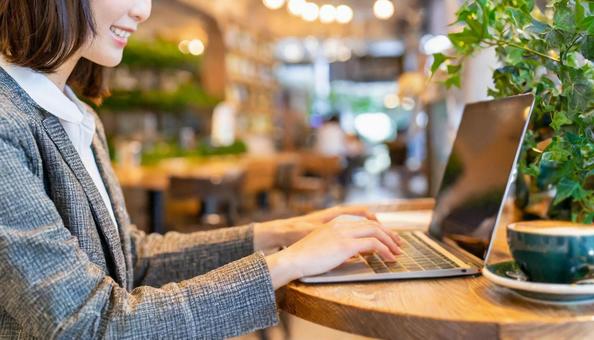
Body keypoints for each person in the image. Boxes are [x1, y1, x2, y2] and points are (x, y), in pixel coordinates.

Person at [0, 1, 401, 339]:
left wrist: (283, 233)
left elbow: (133, 261)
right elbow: (91, 323)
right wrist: (287, 263)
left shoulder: (79, 116)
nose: (143, 10)